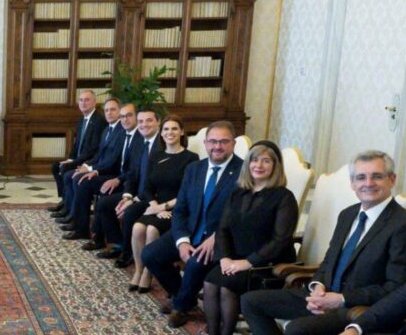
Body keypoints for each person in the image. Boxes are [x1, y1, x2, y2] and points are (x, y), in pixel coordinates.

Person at [242, 150, 406, 335]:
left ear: (392, 179)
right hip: (326, 295)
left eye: (377, 176)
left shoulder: (405, 224)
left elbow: (395, 288)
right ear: (352, 183)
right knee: (250, 301)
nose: (368, 183)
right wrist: (317, 287)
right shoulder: (348, 214)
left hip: (356, 308)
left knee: (297, 330)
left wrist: (341, 299)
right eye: (361, 177)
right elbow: (328, 262)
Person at [142, 121, 244, 328]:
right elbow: (180, 210)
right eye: (213, 141)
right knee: (150, 255)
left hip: (220, 238)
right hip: (190, 230)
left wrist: (215, 238)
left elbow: (241, 215)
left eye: (224, 141)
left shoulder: (243, 172)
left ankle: (181, 307)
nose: (217, 146)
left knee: (196, 264)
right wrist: (181, 240)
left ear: (233, 143)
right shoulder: (194, 169)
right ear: (205, 143)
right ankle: (183, 296)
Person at [203, 141, 298, 335]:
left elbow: (280, 239)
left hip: (267, 263)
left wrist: (248, 262)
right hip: (235, 258)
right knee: (210, 281)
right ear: (248, 164)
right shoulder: (238, 192)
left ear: (275, 166)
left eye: (266, 161)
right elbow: (222, 228)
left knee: (226, 287)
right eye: (254, 160)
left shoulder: (284, 197)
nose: (259, 165)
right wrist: (224, 257)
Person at [105, 116, 197, 279]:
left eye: (174, 129)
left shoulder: (191, 159)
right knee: (137, 228)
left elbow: (188, 192)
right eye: (166, 129)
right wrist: (154, 206)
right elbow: (147, 188)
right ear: (161, 133)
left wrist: (163, 207)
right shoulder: (156, 156)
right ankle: (139, 270)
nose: (170, 132)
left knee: (152, 229)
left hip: (176, 207)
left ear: (182, 132)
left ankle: (148, 273)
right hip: (155, 204)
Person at [67, 108, 161, 242]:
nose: (125, 119)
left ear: (158, 122)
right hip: (123, 179)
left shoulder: (144, 139)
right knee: (82, 180)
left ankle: (102, 237)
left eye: (129, 115)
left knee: (104, 196)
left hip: (135, 186)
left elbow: (136, 173)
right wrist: (93, 169)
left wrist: (127, 192)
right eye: (122, 116)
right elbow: (112, 159)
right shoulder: (121, 133)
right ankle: (88, 230)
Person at [56, 100, 135, 238]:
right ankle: (73, 216)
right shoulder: (107, 130)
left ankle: (81, 228)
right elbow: (99, 154)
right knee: (73, 175)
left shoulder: (122, 131)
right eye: (106, 110)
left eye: (113, 110)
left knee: (81, 181)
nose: (109, 113)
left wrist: (93, 170)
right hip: (106, 170)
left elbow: (114, 160)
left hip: (113, 173)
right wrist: (87, 166)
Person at [48, 90, 106, 207]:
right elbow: (77, 144)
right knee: (56, 166)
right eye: (81, 100)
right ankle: (65, 199)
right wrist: (70, 159)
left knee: (65, 169)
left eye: (87, 100)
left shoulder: (99, 121)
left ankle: (69, 205)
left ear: (94, 102)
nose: (83, 103)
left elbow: (93, 149)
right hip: (79, 158)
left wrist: (75, 162)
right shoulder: (81, 121)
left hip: (89, 160)